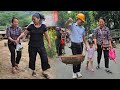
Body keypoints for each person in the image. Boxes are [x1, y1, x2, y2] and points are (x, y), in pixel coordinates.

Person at [16, 13, 51, 78]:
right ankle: (33, 71)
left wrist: (49, 43)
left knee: (44, 58)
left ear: (38, 19)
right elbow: (24, 33)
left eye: (34, 19)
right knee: (32, 59)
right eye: (32, 19)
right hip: (32, 46)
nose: (33, 21)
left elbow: (47, 36)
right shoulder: (31, 26)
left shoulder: (43, 26)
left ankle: (44, 71)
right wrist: (19, 38)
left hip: (41, 46)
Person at [65, 13, 87, 79]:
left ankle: (78, 71)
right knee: (75, 59)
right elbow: (66, 26)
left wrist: (86, 45)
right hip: (74, 44)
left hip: (80, 44)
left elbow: (84, 37)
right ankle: (74, 72)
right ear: (78, 19)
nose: (82, 22)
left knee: (79, 58)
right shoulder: (72, 25)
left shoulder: (83, 28)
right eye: (82, 20)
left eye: (83, 21)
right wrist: (69, 21)